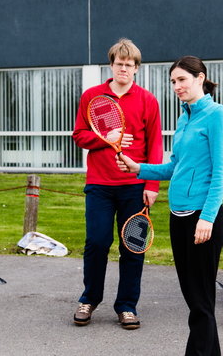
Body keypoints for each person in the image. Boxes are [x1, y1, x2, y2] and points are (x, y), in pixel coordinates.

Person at [117, 56, 223, 355]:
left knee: (201, 300)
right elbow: (175, 168)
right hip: (177, 215)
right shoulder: (184, 118)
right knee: (195, 298)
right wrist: (138, 168)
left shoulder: (217, 115)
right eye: (173, 82)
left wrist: (208, 217)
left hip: (201, 218)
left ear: (200, 78)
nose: (176, 86)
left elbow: (220, 172)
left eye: (182, 80)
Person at [72, 38, 163, 329]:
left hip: (135, 186)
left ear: (136, 68)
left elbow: (155, 146)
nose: (124, 68)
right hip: (99, 184)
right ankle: (89, 299)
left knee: (133, 247)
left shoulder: (147, 100)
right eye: (119, 63)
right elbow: (79, 135)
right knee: (97, 243)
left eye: (129, 64)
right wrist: (105, 139)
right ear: (111, 65)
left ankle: (126, 306)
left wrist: (152, 186)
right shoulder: (92, 96)